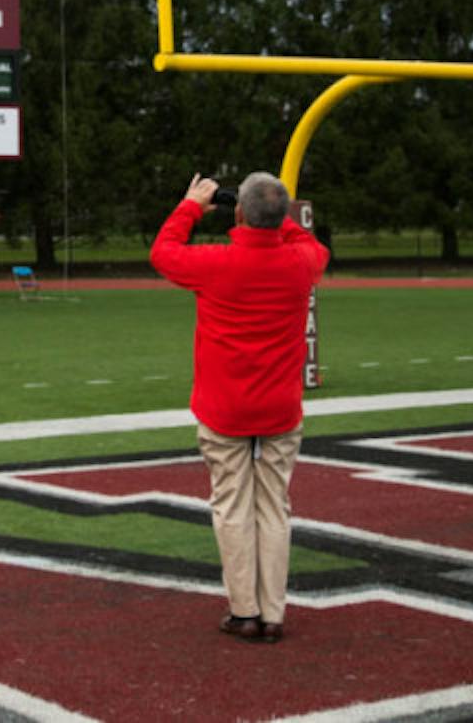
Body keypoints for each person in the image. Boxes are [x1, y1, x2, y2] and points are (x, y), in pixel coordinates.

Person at [150, 170, 328, 645]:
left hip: (225, 408)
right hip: (279, 409)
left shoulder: (216, 264)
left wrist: (191, 205)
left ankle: (243, 610)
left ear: (240, 212)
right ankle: (273, 613)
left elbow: (162, 253)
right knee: (274, 508)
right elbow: (307, 242)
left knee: (231, 506)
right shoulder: (302, 262)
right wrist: (275, 217)